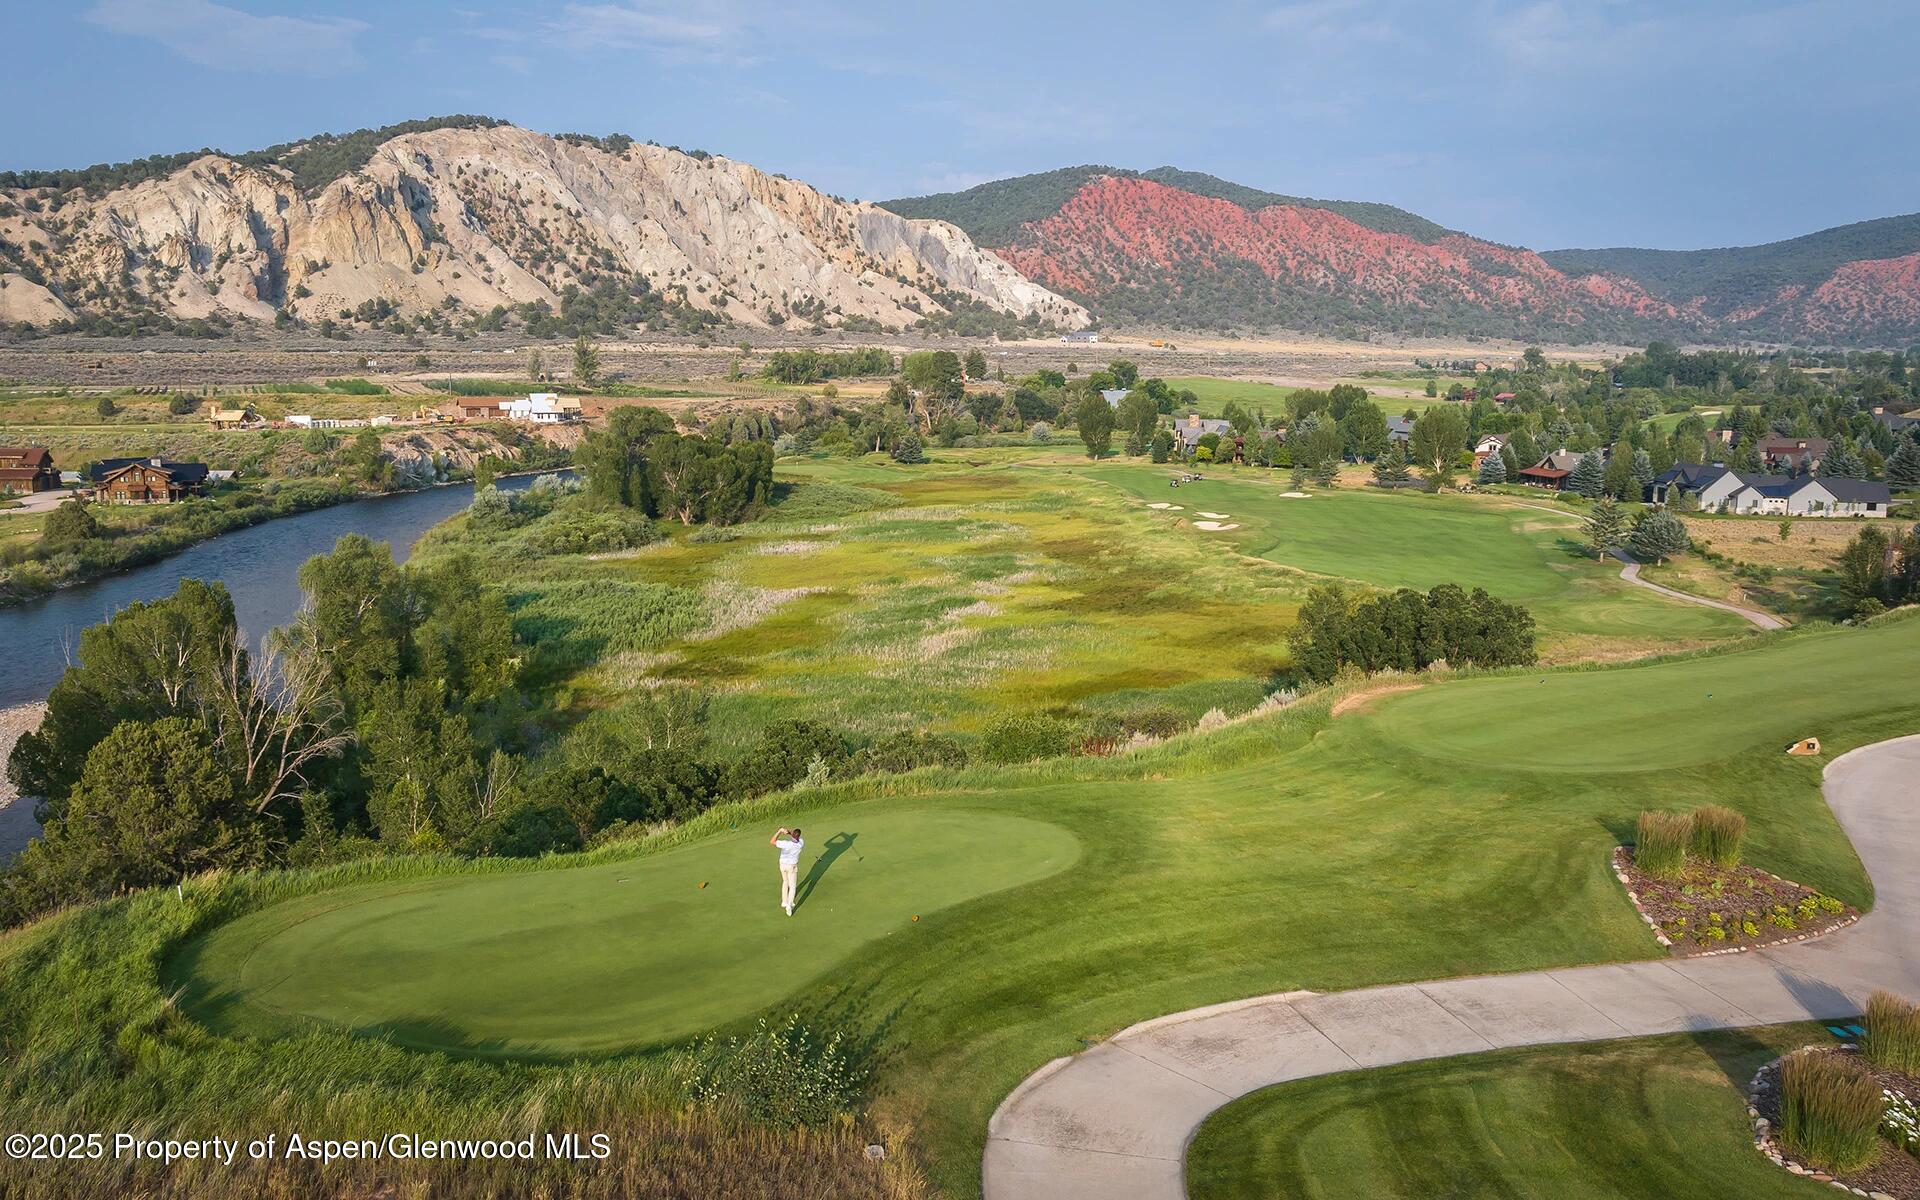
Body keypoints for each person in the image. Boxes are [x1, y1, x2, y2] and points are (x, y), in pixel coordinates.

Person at [770, 826, 804, 916]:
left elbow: (772, 841)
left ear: (792, 835)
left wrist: (780, 831)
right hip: (792, 866)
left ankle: (785, 902)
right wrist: (789, 832)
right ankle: (789, 904)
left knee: (785, 882)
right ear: (799, 836)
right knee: (792, 886)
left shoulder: (785, 843)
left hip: (783, 865)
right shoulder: (801, 843)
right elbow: (795, 837)